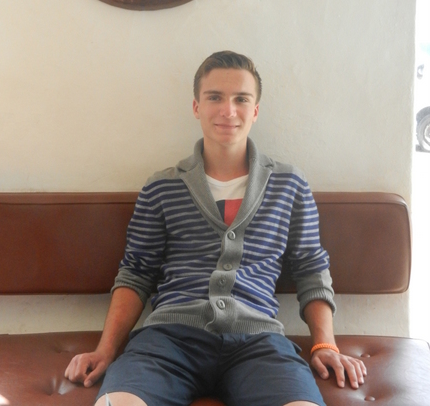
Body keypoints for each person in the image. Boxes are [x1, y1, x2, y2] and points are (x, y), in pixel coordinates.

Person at [65, 51, 367, 406]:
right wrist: (106, 349)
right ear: (197, 107)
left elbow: (310, 268)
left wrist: (325, 344)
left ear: (255, 110)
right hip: (168, 340)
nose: (228, 110)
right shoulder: (161, 187)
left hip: (259, 343)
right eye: (215, 97)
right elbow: (136, 272)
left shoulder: (289, 185)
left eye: (241, 99)